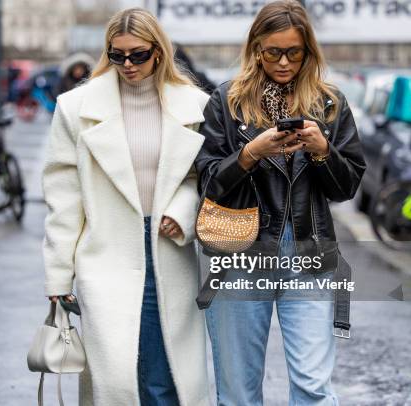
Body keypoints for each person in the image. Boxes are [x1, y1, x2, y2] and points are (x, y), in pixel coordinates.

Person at [195, 1, 365, 404]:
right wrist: (250, 152)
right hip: (241, 254)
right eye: (274, 52)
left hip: (309, 252)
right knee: (238, 392)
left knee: (313, 388)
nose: (284, 62)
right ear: (256, 48)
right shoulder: (227, 101)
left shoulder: (329, 103)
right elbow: (208, 183)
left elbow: (347, 187)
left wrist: (323, 149)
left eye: (295, 52)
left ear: (308, 51)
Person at [42, 7, 211, 405]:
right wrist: (57, 277)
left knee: (162, 376)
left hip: (167, 250)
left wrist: (183, 212)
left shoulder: (195, 105)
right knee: (115, 379)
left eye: (137, 54)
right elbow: (64, 198)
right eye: (117, 55)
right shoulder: (75, 108)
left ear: (158, 51)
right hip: (104, 253)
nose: (127, 64)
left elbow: (201, 177)